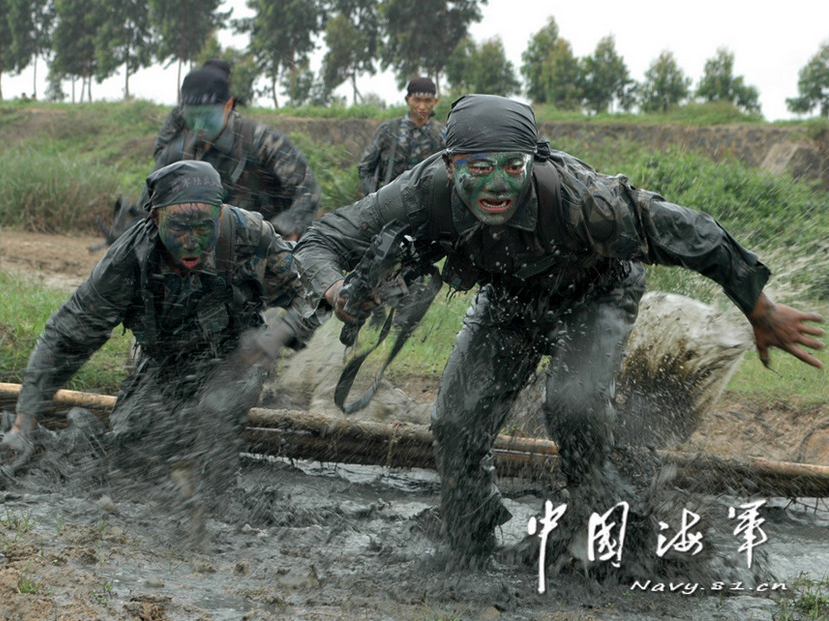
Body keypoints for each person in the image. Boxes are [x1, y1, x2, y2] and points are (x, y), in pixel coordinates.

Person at [294, 94, 825, 568]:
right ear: (450, 164)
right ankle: (470, 543)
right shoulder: (419, 191)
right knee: (454, 419)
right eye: (478, 167)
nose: (497, 184)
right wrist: (339, 291)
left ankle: (621, 533)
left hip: (594, 295)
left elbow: (698, 235)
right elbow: (319, 241)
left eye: (511, 166)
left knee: (573, 406)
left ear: (534, 162)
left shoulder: (587, 202)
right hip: (507, 299)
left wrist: (761, 311)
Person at [1, 160, 321, 508]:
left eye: (204, 227)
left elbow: (312, 294)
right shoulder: (128, 261)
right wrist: (24, 422)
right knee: (129, 449)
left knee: (215, 411)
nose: (192, 240)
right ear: (155, 219)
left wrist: (277, 336)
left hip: (237, 354)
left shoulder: (247, 234)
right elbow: (67, 334)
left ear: (219, 214)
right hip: (165, 360)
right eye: (179, 227)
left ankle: (218, 507)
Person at [104, 60, 320, 245]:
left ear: (228, 106)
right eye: (191, 116)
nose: (199, 125)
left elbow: (308, 190)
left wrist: (281, 232)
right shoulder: (177, 152)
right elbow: (149, 208)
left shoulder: (262, 142)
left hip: (260, 251)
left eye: (207, 115)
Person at [357, 77, 445, 196]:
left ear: (435, 102)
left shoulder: (442, 134)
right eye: (417, 100)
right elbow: (365, 168)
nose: (422, 106)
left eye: (428, 101)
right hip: (390, 203)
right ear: (408, 100)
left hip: (428, 206)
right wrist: (374, 198)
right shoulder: (388, 130)